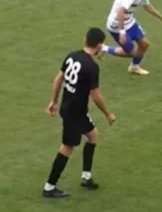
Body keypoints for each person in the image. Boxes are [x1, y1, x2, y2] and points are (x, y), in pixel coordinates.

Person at [42, 27, 116, 198]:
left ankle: (86, 177)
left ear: (85, 40)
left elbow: (58, 78)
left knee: (93, 136)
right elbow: (95, 95)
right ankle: (49, 187)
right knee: (67, 147)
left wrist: (53, 101)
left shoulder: (72, 56)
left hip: (70, 107)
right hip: (74, 113)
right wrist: (108, 114)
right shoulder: (92, 67)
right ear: (99, 45)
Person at [101, 0, 162, 75]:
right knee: (130, 53)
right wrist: (122, 33)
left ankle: (134, 67)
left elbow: (147, 6)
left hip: (129, 21)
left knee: (144, 44)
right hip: (117, 25)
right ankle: (103, 48)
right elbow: (120, 12)